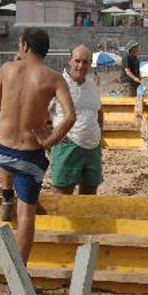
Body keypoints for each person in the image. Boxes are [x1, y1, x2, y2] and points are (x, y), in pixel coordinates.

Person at [0, 28, 77, 264]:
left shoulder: (7, 69)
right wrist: (49, 141)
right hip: (28, 156)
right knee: (27, 212)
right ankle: (20, 270)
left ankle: (7, 195)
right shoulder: (54, 78)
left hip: (1, 149)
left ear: (25, 46)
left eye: (20, 45)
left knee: (1, 147)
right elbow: (70, 117)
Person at [49, 45, 104, 196]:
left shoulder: (92, 84)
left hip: (93, 148)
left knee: (89, 193)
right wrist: (52, 137)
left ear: (90, 63)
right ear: (70, 60)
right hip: (67, 146)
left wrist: (100, 135)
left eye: (85, 62)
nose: (81, 66)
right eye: (77, 61)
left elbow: (99, 111)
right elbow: (41, 114)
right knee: (61, 192)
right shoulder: (58, 83)